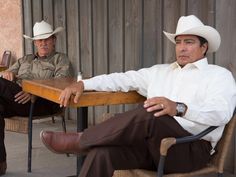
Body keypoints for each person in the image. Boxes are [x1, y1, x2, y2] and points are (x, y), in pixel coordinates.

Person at [40, 15, 236, 177]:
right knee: (103, 153)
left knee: (151, 113)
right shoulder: (160, 72)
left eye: (189, 42)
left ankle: (81, 141)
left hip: (189, 149)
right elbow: (122, 79)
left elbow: (221, 113)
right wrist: (84, 84)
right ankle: (89, 142)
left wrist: (178, 107)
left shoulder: (219, 76)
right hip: (152, 147)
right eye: (178, 42)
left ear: (204, 47)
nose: (182, 48)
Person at [0, 20, 72, 175]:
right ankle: (0, 163)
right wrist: (9, 73)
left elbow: (61, 84)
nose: (43, 43)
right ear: (35, 43)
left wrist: (34, 92)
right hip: (18, 98)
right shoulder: (25, 60)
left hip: (42, 102)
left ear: (54, 40)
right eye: (40, 40)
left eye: (47, 39)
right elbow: (5, 77)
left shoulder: (60, 59)